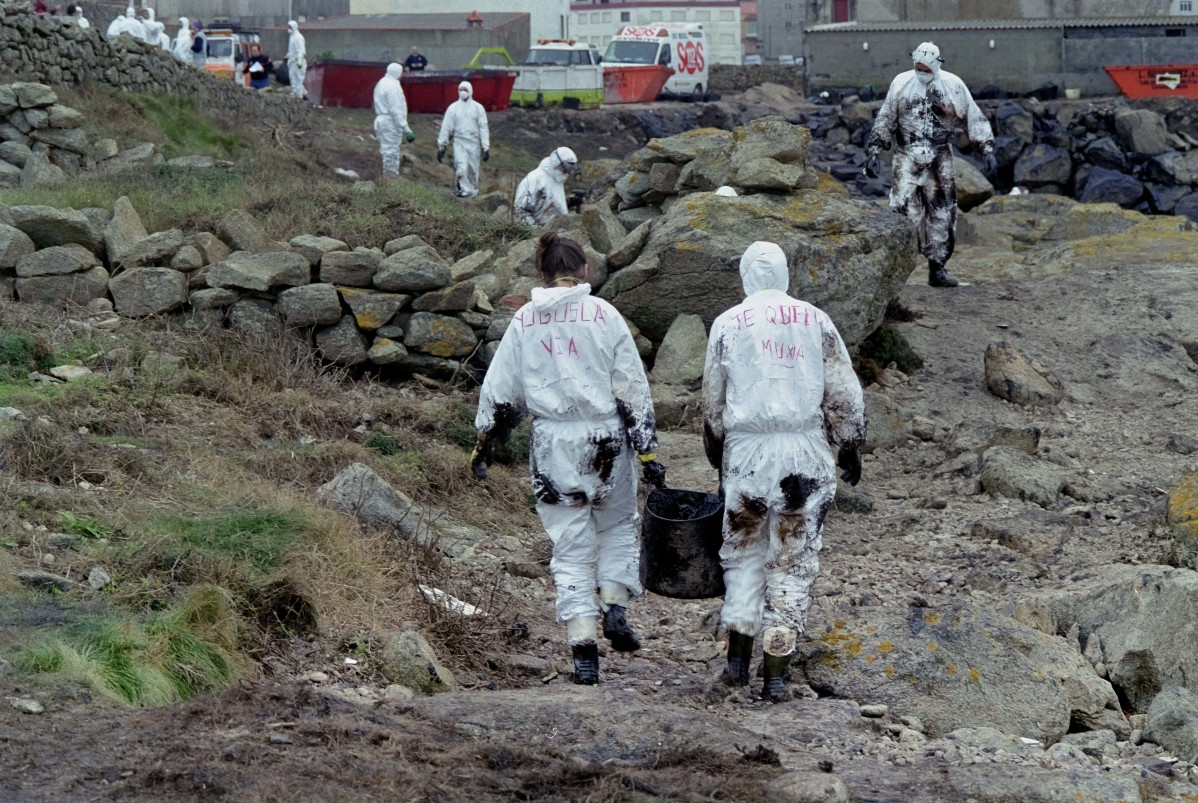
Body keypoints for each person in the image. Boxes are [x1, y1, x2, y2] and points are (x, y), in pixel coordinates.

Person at [473, 231, 664, 686]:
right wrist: (647, 450)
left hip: (553, 444)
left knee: (571, 545)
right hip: (606, 439)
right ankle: (615, 605)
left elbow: (503, 393)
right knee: (617, 525)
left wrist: (485, 445)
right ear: (584, 271)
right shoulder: (606, 315)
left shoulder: (525, 322)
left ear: (541, 274)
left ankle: (583, 649)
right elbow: (631, 389)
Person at [702, 241, 866, 703]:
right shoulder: (815, 320)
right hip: (804, 454)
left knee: (741, 557)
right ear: (785, 274)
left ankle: (736, 665)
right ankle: (776, 673)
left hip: (747, 454)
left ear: (745, 275)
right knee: (792, 564)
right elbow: (842, 388)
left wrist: (718, 453)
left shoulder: (728, 324)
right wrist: (850, 443)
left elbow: (713, 398)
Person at [864, 42, 996, 289]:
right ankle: (896, 273)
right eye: (917, 66)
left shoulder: (954, 85)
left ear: (937, 64)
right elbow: (886, 117)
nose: (921, 70)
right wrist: (873, 151)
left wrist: (986, 148)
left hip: (940, 157)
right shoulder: (901, 82)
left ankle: (938, 269)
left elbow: (973, 115)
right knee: (902, 213)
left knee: (942, 214)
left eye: (926, 66)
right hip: (906, 157)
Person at [437, 81, 490, 198]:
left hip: (474, 142)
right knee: (461, 166)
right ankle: (462, 190)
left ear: (470, 91)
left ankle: (473, 192)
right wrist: (442, 146)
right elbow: (446, 127)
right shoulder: (453, 108)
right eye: (460, 89)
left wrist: (485, 147)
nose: (462, 92)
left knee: (473, 168)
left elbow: (483, 127)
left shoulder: (478, 108)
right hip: (459, 141)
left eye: (465, 90)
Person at [514, 147, 581, 227]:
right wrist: (536, 231)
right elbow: (520, 210)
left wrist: (567, 202)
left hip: (556, 231)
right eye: (567, 167)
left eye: (571, 168)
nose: (567, 171)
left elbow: (546, 203)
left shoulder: (557, 179)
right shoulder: (535, 179)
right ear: (557, 161)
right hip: (540, 233)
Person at [373, 63, 414, 182]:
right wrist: (406, 127)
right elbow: (395, 109)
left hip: (382, 120)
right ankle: (390, 181)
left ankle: (388, 179)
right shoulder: (392, 86)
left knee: (387, 151)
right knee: (391, 152)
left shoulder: (382, 82)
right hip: (390, 122)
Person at [287, 21, 307, 99]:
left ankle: (299, 97)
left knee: (298, 80)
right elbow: (292, 50)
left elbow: (301, 50)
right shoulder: (292, 36)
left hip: (298, 62)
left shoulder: (298, 37)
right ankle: (297, 94)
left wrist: (300, 60)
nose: (288, 29)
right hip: (292, 61)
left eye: (289, 27)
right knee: (293, 79)